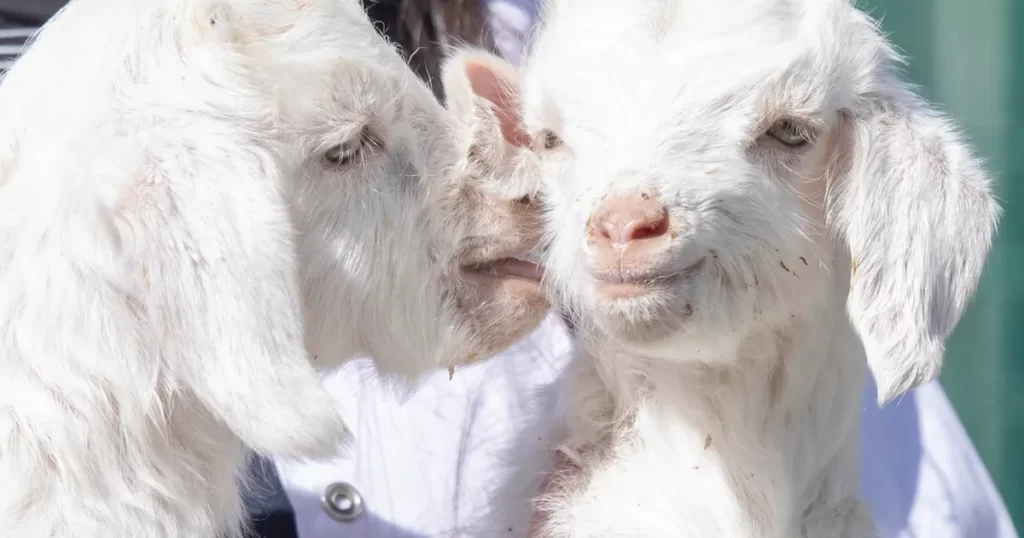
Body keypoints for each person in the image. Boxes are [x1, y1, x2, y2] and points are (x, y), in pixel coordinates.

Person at [235, 1, 1012, 537]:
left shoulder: (589, 35)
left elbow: (932, 494)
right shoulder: (151, 69)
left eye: (786, 131)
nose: (627, 218)